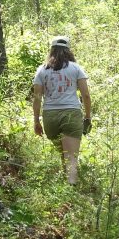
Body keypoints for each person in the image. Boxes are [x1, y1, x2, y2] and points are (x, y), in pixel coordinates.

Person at [32, 36, 92, 186]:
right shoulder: (75, 68)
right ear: (68, 50)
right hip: (71, 114)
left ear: (52, 50)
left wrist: (36, 121)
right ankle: (71, 190)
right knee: (71, 156)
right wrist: (88, 117)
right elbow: (85, 95)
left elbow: (37, 98)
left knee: (64, 154)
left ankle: (65, 187)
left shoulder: (42, 70)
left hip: (50, 117)